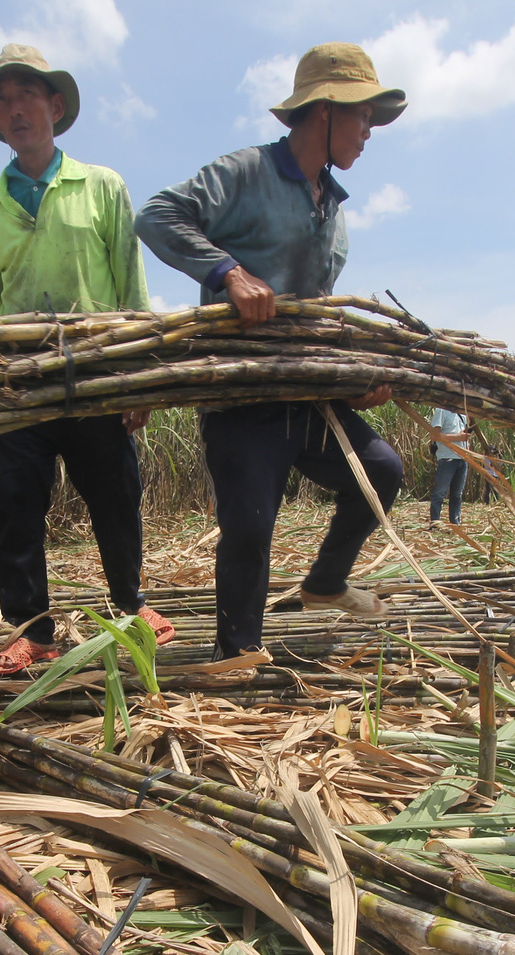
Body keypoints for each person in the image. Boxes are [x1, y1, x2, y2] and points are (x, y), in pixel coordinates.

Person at [135, 43, 407, 662]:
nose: (368, 132)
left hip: (308, 399)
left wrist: (350, 385)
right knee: (251, 526)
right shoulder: (247, 172)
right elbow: (157, 216)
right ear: (324, 112)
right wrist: (228, 272)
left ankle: (325, 583)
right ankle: (237, 655)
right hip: (242, 395)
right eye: (362, 115)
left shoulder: (333, 210)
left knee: (381, 473)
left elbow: (316, 312)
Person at [0, 44, 174, 676]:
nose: (14, 108)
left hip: (93, 370)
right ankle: (32, 630)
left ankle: (132, 607)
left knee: (115, 494)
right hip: (19, 380)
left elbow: (131, 288)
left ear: (54, 105)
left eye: (26, 94)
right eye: (2, 99)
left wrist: (136, 377)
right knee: (16, 503)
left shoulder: (101, 186)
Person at [427, 407, 470, 526]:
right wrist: (458, 437)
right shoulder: (442, 410)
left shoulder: (462, 413)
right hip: (447, 458)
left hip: (462, 458)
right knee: (440, 493)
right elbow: (434, 436)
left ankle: (455, 523)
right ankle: (435, 522)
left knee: (457, 495)